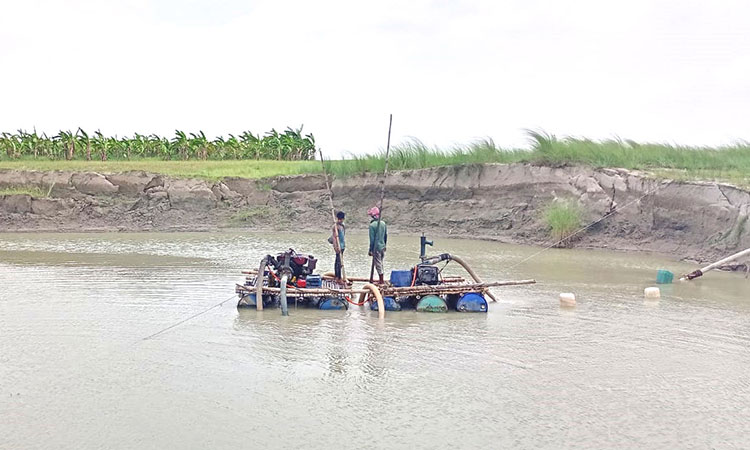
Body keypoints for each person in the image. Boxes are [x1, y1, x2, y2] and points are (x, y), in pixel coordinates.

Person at [367, 206, 387, 283]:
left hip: (377, 247)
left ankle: (381, 280)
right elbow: (385, 236)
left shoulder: (372, 226)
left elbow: (372, 240)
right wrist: (385, 245)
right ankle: (381, 278)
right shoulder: (383, 223)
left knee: (378, 264)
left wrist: (370, 250)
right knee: (380, 263)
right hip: (382, 246)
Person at [328, 211, 346, 281]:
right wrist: (336, 247)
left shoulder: (342, 226)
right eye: (339, 219)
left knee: (340, 262)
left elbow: (343, 236)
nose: (340, 220)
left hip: (342, 246)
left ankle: (339, 277)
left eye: (341, 219)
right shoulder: (335, 227)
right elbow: (334, 238)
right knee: (338, 262)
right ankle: (337, 277)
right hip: (338, 246)